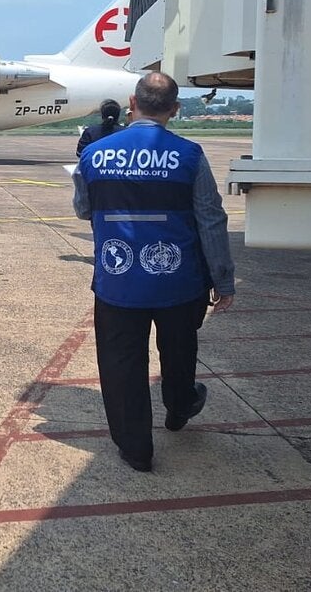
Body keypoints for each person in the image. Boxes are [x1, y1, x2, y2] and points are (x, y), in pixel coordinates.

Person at [72, 71, 235, 473]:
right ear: (175, 109)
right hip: (180, 281)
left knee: (121, 361)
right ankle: (180, 405)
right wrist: (223, 278)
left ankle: (136, 448)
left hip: (118, 279)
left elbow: (83, 210)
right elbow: (210, 220)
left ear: (133, 103)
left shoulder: (95, 154)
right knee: (179, 352)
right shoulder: (190, 155)